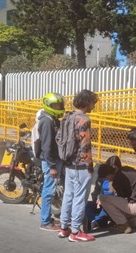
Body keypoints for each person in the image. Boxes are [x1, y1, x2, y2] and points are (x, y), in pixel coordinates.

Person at [57, 90, 98, 242]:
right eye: (93, 103)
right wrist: (89, 164)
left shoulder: (67, 117)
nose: (93, 106)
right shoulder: (84, 119)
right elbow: (85, 144)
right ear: (87, 102)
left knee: (68, 195)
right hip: (80, 165)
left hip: (68, 163)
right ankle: (75, 231)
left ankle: (64, 228)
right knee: (80, 197)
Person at [97, 157, 136, 234]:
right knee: (121, 206)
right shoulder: (128, 168)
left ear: (108, 175)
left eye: (106, 178)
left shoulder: (117, 179)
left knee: (103, 198)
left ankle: (124, 225)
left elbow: (122, 198)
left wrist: (112, 187)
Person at [36, 93, 65, 232]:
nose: (59, 108)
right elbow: (46, 146)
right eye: (56, 105)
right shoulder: (47, 121)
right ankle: (45, 221)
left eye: (60, 105)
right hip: (50, 161)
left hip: (54, 160)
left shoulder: (52, 119)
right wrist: (52, 166)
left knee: (50, 189)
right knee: (49, 191)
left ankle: (48, 218)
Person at [85, 156, 121, 232]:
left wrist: (105, 201)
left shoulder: (119, 178)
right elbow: (96, 191)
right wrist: (98, 198)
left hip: (112, 205)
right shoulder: (101, 177)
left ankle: (96, 221)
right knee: (86, 205)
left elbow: (119, 197)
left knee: (107, 208)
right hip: (101, 202)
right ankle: (95, 220)